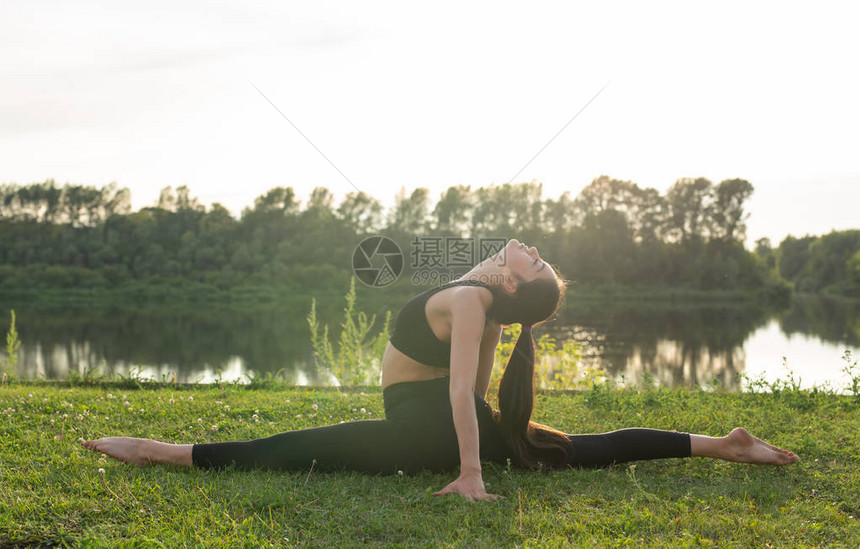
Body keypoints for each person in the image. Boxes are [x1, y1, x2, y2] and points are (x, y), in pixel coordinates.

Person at [82, 239, 798, 501]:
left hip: (422, 428)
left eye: (537, 261)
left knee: (299, 448)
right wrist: (482, 447)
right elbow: (478, 396)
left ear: (515, 285)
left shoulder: (467, 298)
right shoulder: (477, 301)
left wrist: (473, 472)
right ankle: (722, 443)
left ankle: (154, 450)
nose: (527, 246)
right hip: (432, 425)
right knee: (579, 449)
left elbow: (462, 392)